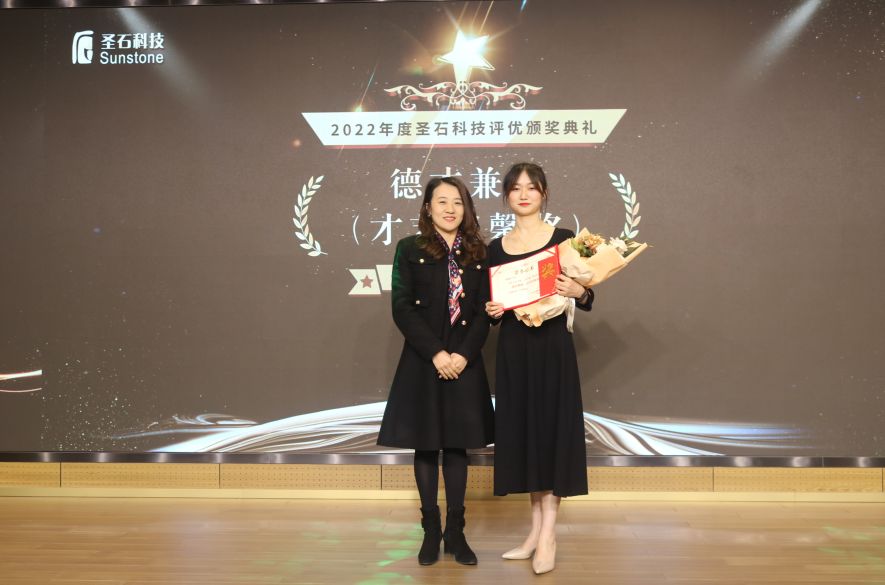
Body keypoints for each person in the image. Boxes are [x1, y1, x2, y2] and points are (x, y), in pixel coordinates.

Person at [378, 176, 494, 566]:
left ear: (467, 209)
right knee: (426, 445)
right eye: (442, 201)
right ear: (428, 208)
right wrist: (437, 354)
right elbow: (401, 307)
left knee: (458, 446)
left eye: (457, 202)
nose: (450, 209)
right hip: (424, 360)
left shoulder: (479, 252)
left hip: (465, 360)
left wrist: (462, 355)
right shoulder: (409, 248)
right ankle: (430, 530)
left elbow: (485, 310)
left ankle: (456, 532)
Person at [484, 162, 594, 575]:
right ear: (506, 196)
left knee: (551, 434)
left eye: (531, 187)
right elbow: (492, 308)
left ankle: (549, 535)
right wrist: (492, 310)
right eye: (516, 188)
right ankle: (534, 533)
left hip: (552, 348)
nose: (524, 194)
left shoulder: (563, 240)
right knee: (527, 435)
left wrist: (578, 289)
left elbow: (588, 296)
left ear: (544, 193)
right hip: (515, 349)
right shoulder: (496, 248)